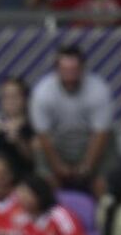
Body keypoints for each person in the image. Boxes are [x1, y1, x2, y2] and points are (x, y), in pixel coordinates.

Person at [30, 45, 116, 192]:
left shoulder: (99, 90)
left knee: (104, 182)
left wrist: (87, 167)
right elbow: (44, 135)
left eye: (74, 70)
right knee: (38, 150)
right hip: (58, 146)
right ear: (57, 70)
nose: (70, 76)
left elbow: (100, 134)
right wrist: (58, 167)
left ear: (82, 68)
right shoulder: (42, 92)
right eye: (65, 70)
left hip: (92, 144)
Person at [0, 77, 35, 175]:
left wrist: (18, 141)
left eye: (14, 96)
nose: (10, 101)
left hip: (25, 176)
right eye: (6, 97)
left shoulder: (34, 124)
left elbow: (34, 161)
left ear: (25, 99)